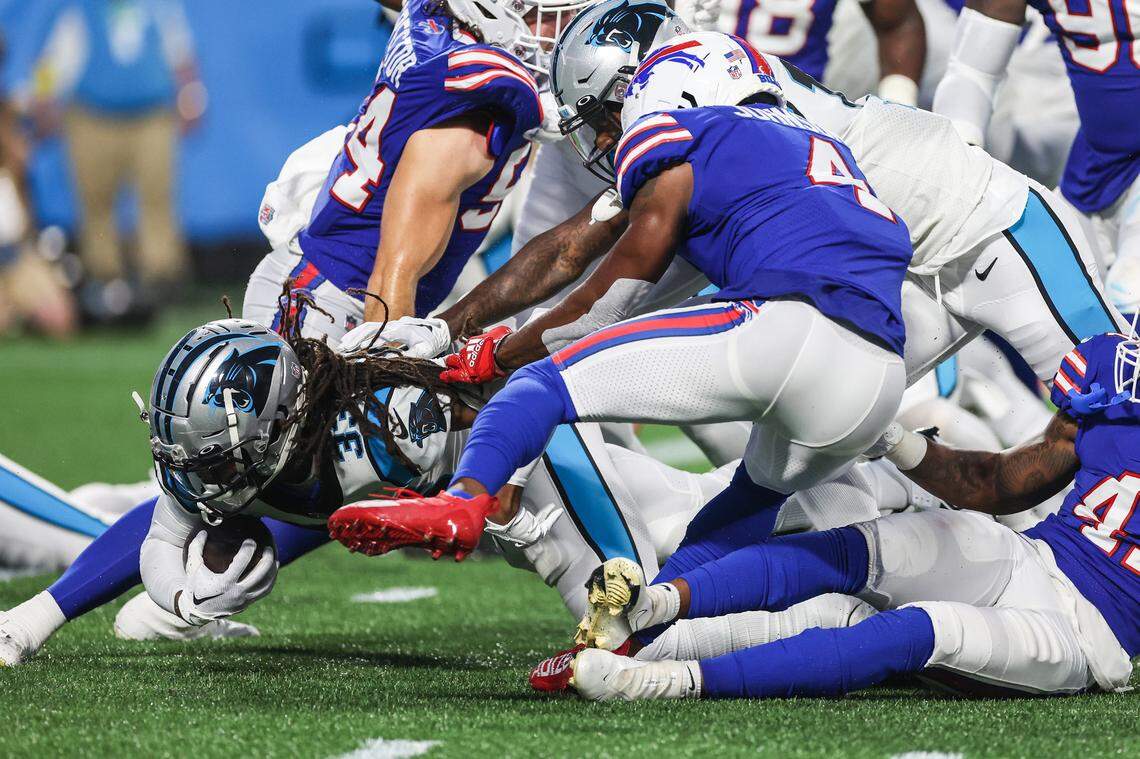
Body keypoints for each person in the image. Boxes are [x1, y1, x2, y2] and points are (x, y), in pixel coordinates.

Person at [327, 34, 913, 599]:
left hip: (788, 328)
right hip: (877, 380)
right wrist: (455, 330)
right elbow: (570, 252)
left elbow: (613, 292)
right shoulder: (806, 148)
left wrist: (496, 354)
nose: (607, 136)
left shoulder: (678, 134)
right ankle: (645, 632)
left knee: (538, 382)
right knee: (717, 537)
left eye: (604, 117)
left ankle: (469, 501)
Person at [562, 332, 1137, 700]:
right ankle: (650, 606)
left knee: (908, 633)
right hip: (1032, 557)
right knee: (847, 551)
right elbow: (993, 485)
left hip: (1086, 636)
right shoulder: (1120, 386)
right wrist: (890, 438)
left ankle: (665, 683)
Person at [932, 0, 1140, 283]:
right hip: (1095, 170)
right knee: (966, 295)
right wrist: (956, 173)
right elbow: (973, 70)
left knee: (1127, 309)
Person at [30, 0, 202, 316]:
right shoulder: (82, 8)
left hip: (151, 113)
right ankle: (104, 279)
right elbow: (54, 59)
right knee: (95, 201)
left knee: (157, 196)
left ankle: (161, 277)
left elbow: (180, 51)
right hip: (92, 115)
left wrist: (192, 94)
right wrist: (43, 97)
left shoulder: (159, 6)